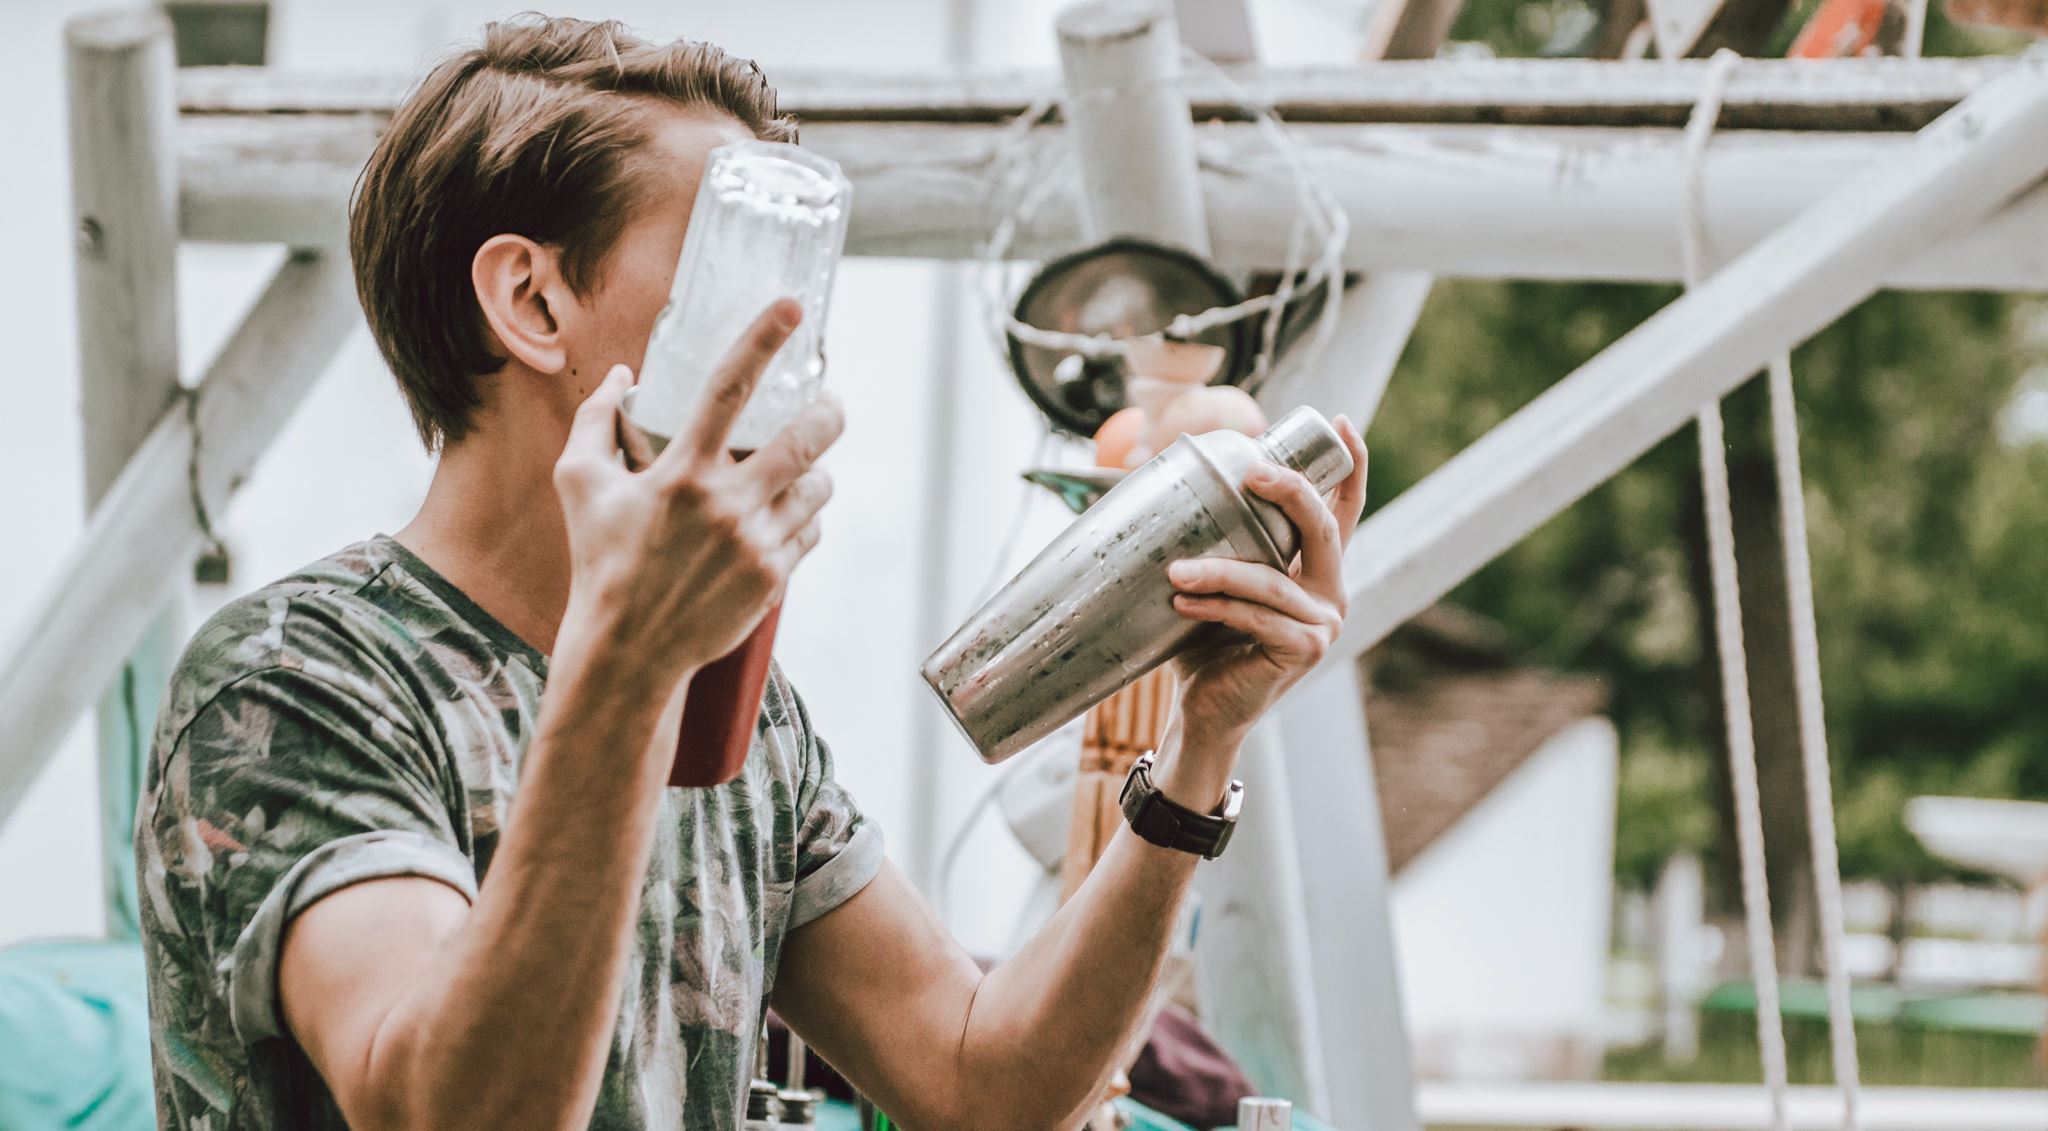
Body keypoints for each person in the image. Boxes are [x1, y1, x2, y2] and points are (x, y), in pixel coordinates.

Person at [134, 15, 1369, 1131]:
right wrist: (623, 668)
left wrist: (1201, 756)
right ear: (532, 298)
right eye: (742, 274)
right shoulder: (295, 680)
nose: (802, 355)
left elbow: (984, 1081)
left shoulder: (740, 703)